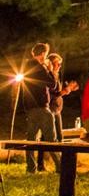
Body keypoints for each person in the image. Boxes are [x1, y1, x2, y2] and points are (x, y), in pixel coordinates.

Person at [21, 42, 60, 174]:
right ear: (43, 53)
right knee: (51, 140)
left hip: (30, 108)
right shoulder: (40, 67)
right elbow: (52, 84)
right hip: (42, 108)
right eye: (46, 54)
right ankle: (61, 167)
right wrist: (50, 69)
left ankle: (31, 168)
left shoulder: (26, 66)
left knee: (31, 140)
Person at [36, 53, 77, 172]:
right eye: (57, 63)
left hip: (57, 109)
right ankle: (44, 165)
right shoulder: (48, 75)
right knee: (50, 138)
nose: (59, 66)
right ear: (52, 63)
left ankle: (55, 165)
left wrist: (66, 90)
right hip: (50, 109)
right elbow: (51, 93)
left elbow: (57, 92)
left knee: (56, 137)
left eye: (60, 64)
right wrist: (64, 91)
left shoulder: (56, 75)